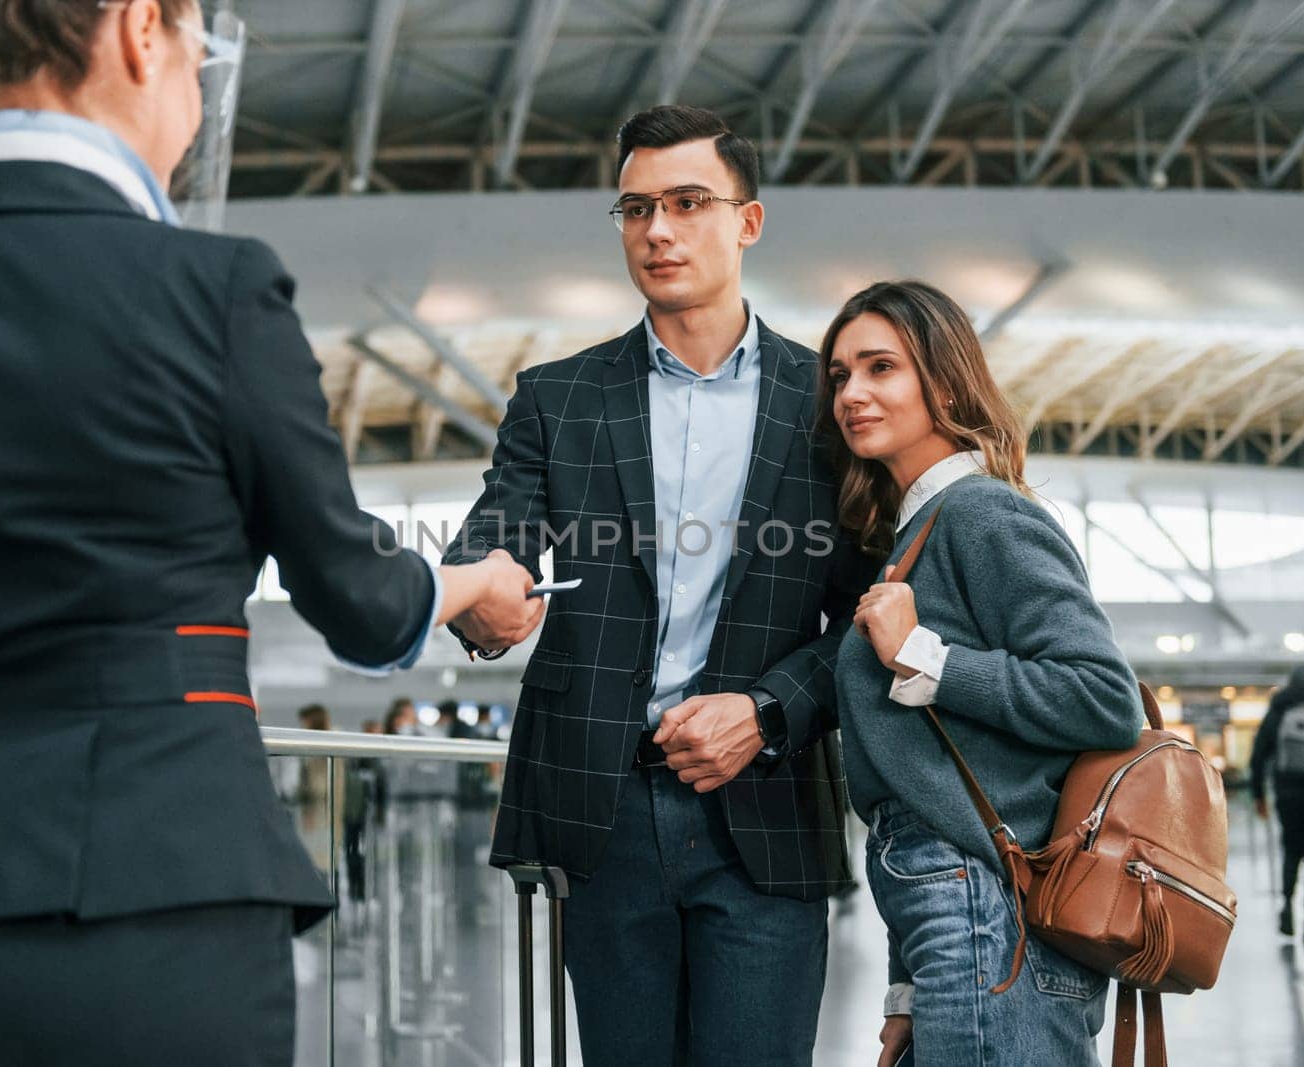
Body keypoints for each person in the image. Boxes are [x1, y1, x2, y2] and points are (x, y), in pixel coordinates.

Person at [0, 2, 540, 1062]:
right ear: (143, 30)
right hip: (168, 903)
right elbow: (361, 602)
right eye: (198, 51)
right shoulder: (216, 291)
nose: (195, 86)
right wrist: (474, 580)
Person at [443, 105, 867, 1066]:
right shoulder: (559, 397)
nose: (658, 230)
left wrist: (765, 710)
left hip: (764, 803)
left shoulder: (831, 404)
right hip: (607, 809)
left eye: (686, 202)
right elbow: (495, 535)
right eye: (636, 208)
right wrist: (482, 596)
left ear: (747, 222)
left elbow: (873, 614)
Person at [824, 281, 1144, 1067]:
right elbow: (925, 779)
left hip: (989, 915)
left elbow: (1105, 696)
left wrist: (924, 657)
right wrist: (907, 989)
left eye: (880, 368)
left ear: (944, 378)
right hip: (956, 917)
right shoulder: (915, 532)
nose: (853, 393)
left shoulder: (982, 512)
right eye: (839, 376)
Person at [1248, 665, 1304, 943]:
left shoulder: (1277, 712)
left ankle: (1286, 908)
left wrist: (1258, 795)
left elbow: (1259, 756)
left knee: (1291, 852)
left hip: (1287, 795)